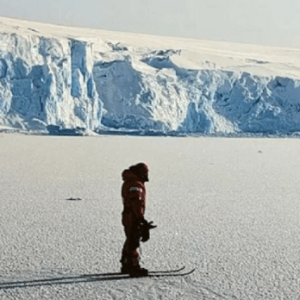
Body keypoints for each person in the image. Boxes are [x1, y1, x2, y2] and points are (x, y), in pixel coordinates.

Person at [120, 163, 156, 276]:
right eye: (145, 173)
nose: (147, 176)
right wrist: (140, 218)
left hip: (129, 214)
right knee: (133, 240)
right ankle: (132, 266)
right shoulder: (135, 184)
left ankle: (126, 263)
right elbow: (137, 202)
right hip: (132, 215)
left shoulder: (130, 181)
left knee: (130, 238)